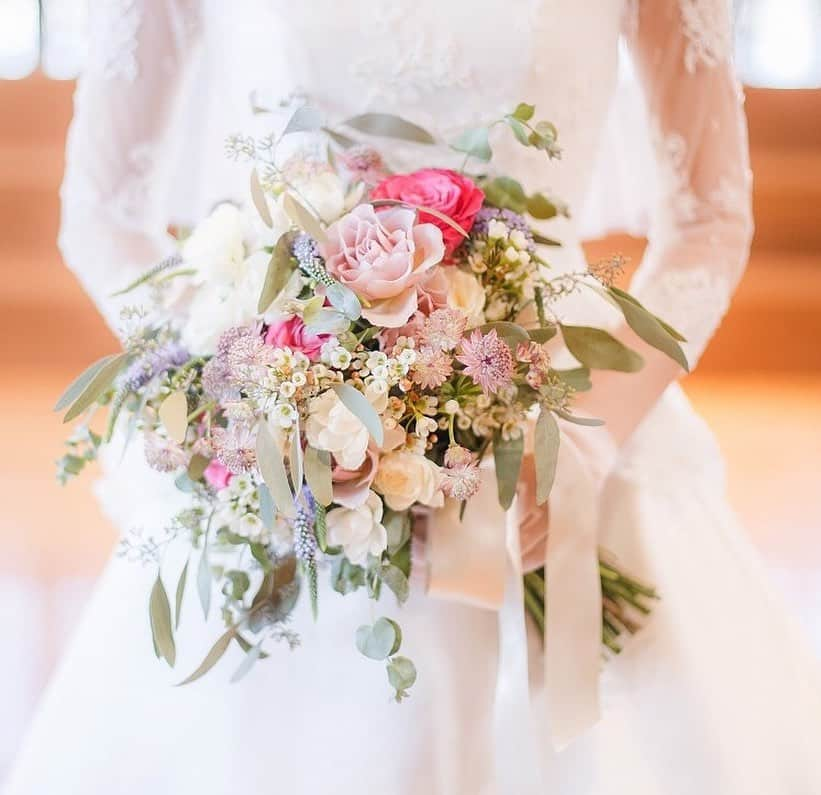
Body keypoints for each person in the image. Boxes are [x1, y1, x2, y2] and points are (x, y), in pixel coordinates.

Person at [6, 1, 821, 792]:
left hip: (560, 427)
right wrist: (247, 391)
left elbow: (710, 221)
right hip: (291, 450)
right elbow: (102, 216)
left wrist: (593, 433)